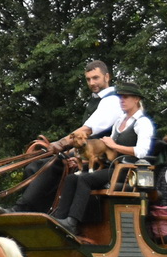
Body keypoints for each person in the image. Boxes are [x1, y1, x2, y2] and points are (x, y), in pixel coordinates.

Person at [16, 59, 121, 213]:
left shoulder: (112, 100)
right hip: (86, 150)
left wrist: (60, 144)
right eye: (88, 79)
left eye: (95, 78)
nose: (92, 83)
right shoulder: (96, 100)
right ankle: (37, 211)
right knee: (34, 166)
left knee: (53, 163)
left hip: (102, 156)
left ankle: (23, 208)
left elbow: (87, 130)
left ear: (107, 77)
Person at [53, 84, 153, 235]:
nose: (121, 100)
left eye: (125, 97)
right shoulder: (120, 120)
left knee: (85, 179)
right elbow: (106, 147)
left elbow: (142, 152)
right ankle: (60, 219)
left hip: (127, 171)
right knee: (72, 178)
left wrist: (115, 145)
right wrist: (83, 159)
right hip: (109, 166)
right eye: (120, 97)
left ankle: (72, 223)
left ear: (136, 99)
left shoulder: (142, 122)